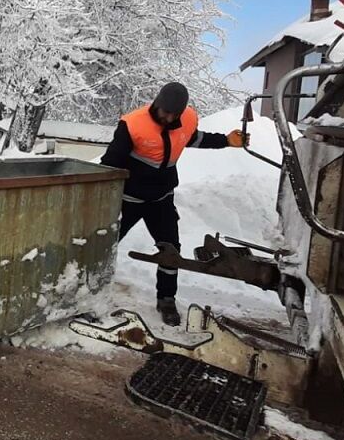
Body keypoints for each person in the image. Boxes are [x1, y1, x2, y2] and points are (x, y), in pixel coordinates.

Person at [100, 82, 248, 327]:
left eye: (173, 114)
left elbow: (192, 138)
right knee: (105, 244)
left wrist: (226, 141)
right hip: (129, 199)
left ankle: (166, 299)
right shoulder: (133, 124)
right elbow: (111, 162)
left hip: (161, 200)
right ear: (157, 103)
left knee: (171, 250)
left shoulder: (187, 119)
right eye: (164, 112)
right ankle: (88, 290)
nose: (168, 118)